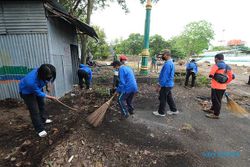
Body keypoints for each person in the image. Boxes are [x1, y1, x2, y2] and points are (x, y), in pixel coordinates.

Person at [19, 64, 57, 137]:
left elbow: (48, 80)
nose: (50, 77)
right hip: (27, 92)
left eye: (51, 75)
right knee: (34, 110)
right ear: (42, 74)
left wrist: (48, 86)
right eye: (48, 76)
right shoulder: (30, 81)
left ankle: (43, 119)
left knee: (41, 104)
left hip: (37, 88)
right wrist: (51, 97)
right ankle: (39, 129)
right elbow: (38, 93)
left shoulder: (42, 71)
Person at [204, 53, 235, 119]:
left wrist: (213, 76)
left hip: (215, 86)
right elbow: (232, 76)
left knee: (216, 100)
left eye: (214, 59)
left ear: (216, 59)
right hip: (223, 87)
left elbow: (210, 75)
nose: (214, 60)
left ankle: (216, 114)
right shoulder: (228, 66)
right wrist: (226, 82)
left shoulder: (217, 65)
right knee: (216, 99)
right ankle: (212, 109)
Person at [153, 49, 179, 117]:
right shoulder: (170, 62)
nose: (162, 56)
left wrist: (160, 85)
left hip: (166, 84)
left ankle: (161, 112)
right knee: (169, 97)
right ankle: (174, 110)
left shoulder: (168, 64)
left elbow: (165, 76)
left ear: (167, 55)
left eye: (163, 55)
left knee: (162, 98)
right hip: (169, 84)